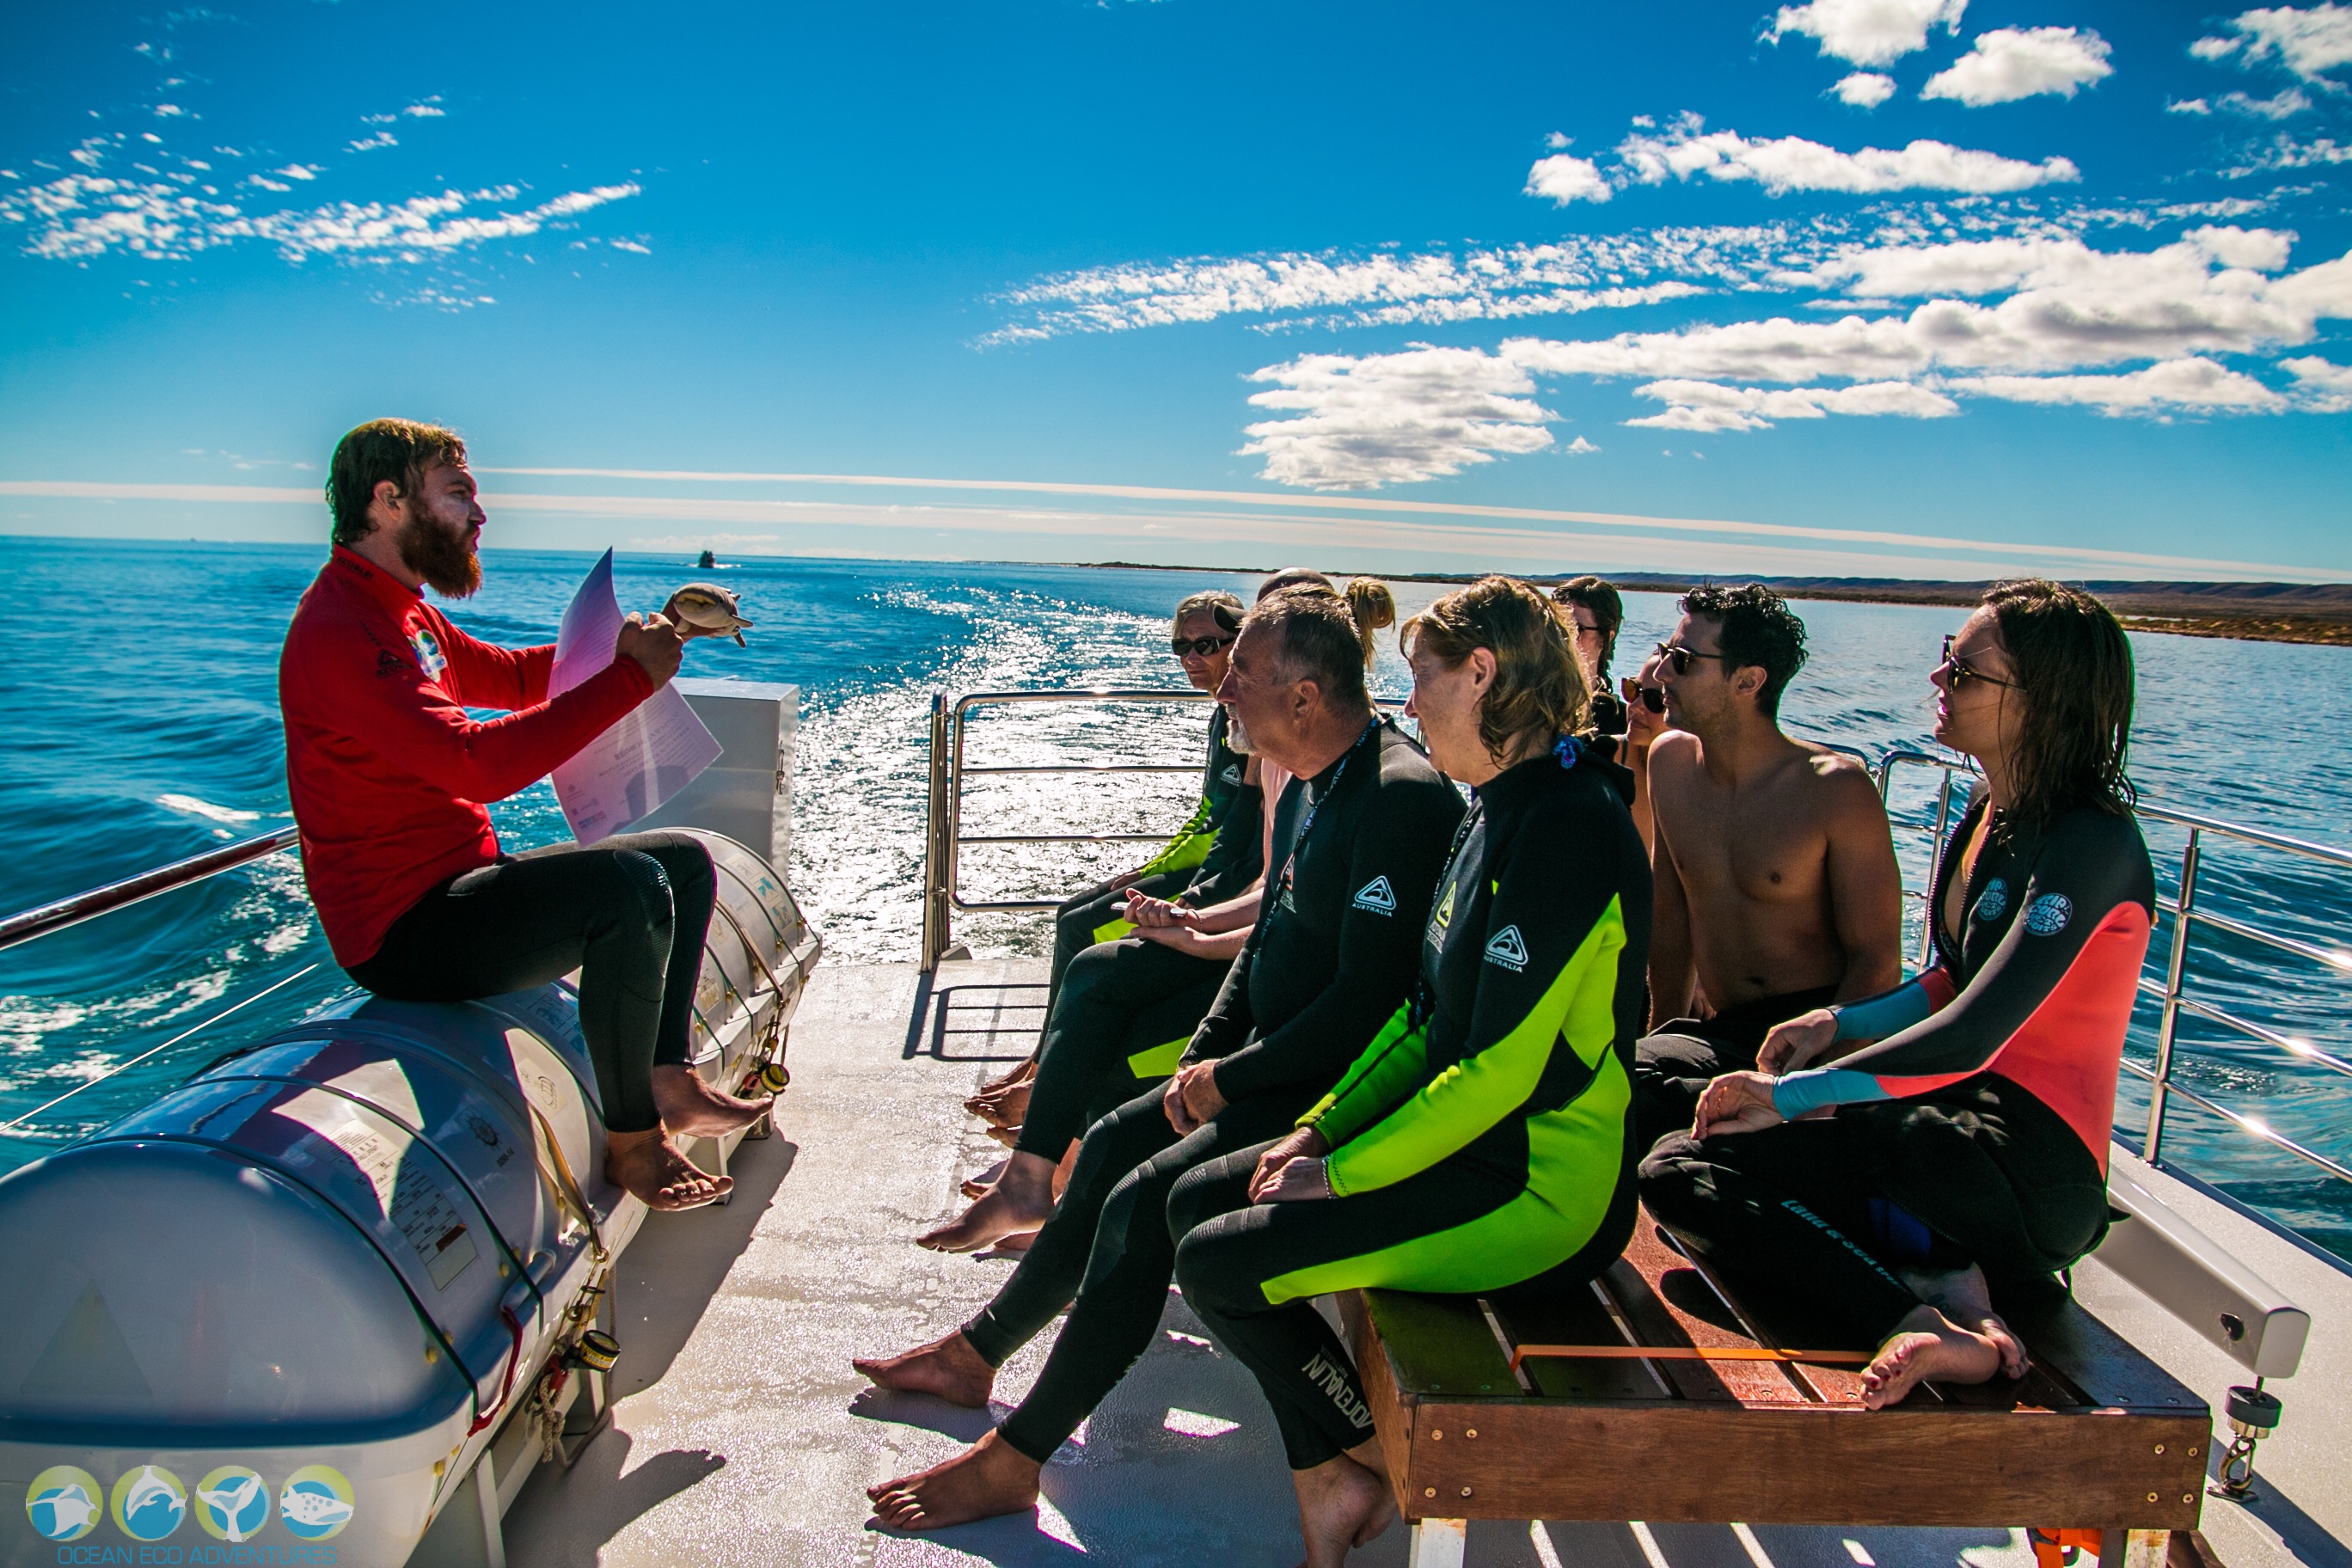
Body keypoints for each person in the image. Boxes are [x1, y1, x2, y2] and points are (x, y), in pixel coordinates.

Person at [857, 587, 1463, 1532]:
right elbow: (1267, 946)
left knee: (1146, 1205)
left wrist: (1234, 1080)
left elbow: (1365, 1007)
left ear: (1304, 697)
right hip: (1268, 1066)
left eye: (1244, 675)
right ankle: (977, 1356)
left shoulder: (1399, 799)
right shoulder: (1309, 777)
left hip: (1333, 1097)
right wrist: (1204, 1057)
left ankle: (1018, 1459)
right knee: (1105, 1145)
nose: (1223, 689)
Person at [1168, 577, 1651, 1566]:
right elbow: (1425, 1018)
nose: (1409, 703)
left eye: (1422, 679)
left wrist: (1339, 1175)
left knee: (1220, 1263)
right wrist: (1321, 1130)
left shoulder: (1569, 826)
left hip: (1534, 1184)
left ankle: (1357, 1460)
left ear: (1483, 675)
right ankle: (1340, 1474)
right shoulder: (1491, 809)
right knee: (1193, 1204)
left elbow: (1498, 1073)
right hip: (1466, 1144)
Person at [1640, 579, 2153, 1409]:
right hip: (1939, 1125)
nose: (1938, 681)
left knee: (1733, 1141)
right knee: (1675, 1167)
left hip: (2025, 1169)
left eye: (1964, 671)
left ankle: (1930, 1313)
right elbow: (1949, 979)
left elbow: (1972, 1034)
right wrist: (1836, 1021)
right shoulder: (1993, 814)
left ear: (2041, 698)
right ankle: (1943, 1294)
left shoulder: (2090, 845)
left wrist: (1796, 1096)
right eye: (1946, 662)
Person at [279, 419, 767, 1213]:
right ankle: (634, 1144)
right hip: (400, 934)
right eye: (460, 493)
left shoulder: (401, 610)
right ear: (388, 498)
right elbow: (480, 764)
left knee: (683, 860)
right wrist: (629, 685)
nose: (480, 515)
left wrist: (631, 649)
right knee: (628, 891)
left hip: (462, 883)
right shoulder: (340, 628)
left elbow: (509, 677)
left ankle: (666, 1076)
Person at [1630, 583, 1904, 1151]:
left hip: (1812, 1043)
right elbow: (1670, 915)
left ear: (1748, 681)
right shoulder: (1670, 763)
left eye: (1682, 662)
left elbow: (1876, 961)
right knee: (1619, 1085)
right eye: (1665, 652)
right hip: (1725, 1032)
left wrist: (1812, 1087)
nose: (1660, 676)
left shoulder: (1836, 789)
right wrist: (1663, 1033)